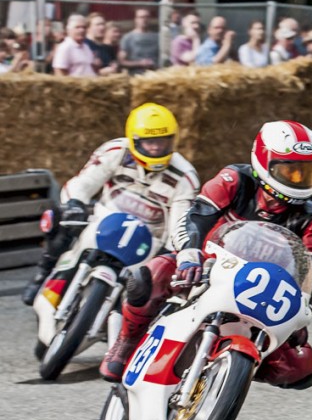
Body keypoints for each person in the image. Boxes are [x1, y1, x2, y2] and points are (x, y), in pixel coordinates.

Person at [99, 120, 312, 389]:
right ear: (263, 162)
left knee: (300, 369)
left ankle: (234, 366)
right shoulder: (235, 179)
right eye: (289, 171)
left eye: (305, 172)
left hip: (258, 289)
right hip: (206, 264)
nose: (298, 180)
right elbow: (196, 216)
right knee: (146, 278)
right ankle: (127, 340)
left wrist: (300, 313)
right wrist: (189, 252)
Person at [22, 104, 199, 306]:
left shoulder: (185, 175)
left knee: (158, 288)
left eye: (162, 141)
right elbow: (84, 182)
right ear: (134, 140)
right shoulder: (116, 150)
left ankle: (129, 330)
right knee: (59, 217)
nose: (156, 148)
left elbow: (181, 220)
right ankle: (45, 270)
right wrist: (75, 203)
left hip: (149, 240)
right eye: (149, 142)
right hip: (104, 222)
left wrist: (170, 251)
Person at [119, 8, 159, 75]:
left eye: (147, 17)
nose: (144, 20)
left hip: (155, 76)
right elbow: (122, 61)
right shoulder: (128, 38)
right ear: (136, 19)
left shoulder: (157, 36)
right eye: (141, 17)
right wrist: (140, 63)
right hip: (136, 76)